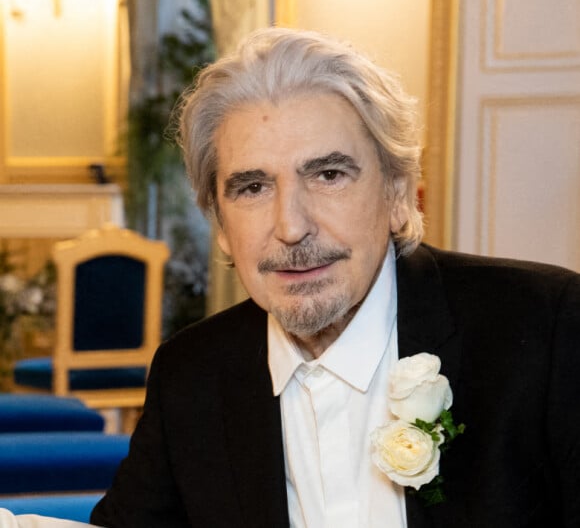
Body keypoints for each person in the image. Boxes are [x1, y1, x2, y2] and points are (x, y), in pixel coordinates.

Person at [90, 27, 580, 528]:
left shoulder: (545, 330)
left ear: (397, 194)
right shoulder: (191, 376)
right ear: (219, 223)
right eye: (253, 187)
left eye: (328, 175)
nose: (291, 227)